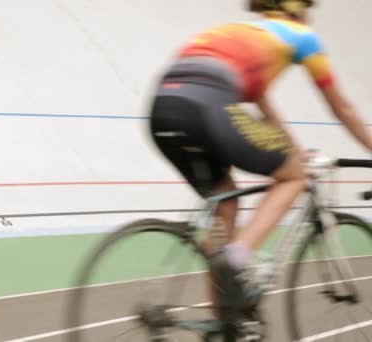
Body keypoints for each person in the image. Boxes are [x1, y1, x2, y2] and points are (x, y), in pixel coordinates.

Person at [148, 0, 372, 313]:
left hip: (162, 109)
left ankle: (223, 320)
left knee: (225, 204)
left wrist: (293, 151)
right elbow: (341, 107)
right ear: (298, 9)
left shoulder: (237, 34)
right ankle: (237, 257)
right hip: (208, 104)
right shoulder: (302, 36)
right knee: (294, 176)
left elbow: (264, 107)